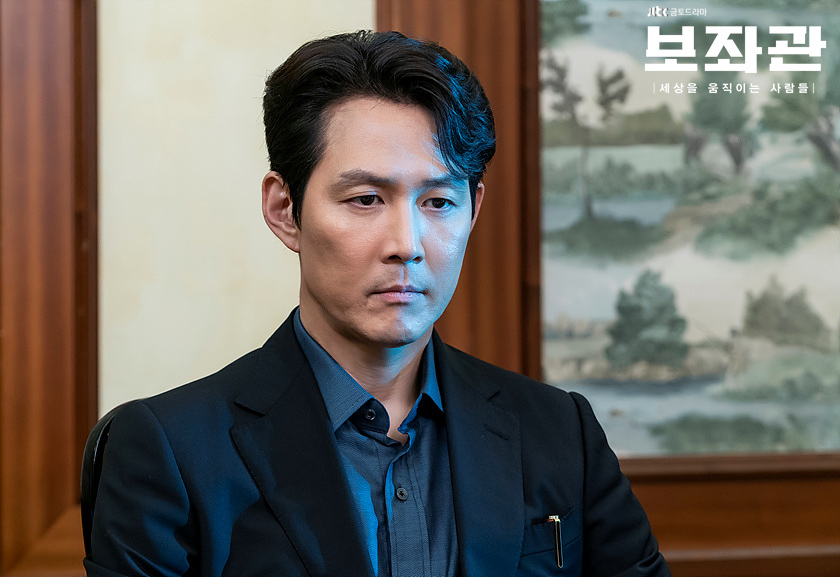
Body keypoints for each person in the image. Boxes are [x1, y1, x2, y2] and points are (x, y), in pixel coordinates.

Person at [84, 30, 670, 577]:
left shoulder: (561, 432)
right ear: (284, 209)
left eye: (438, 202)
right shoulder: (168, 449)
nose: (406, 245)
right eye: (366, 199)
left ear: (474, 210)